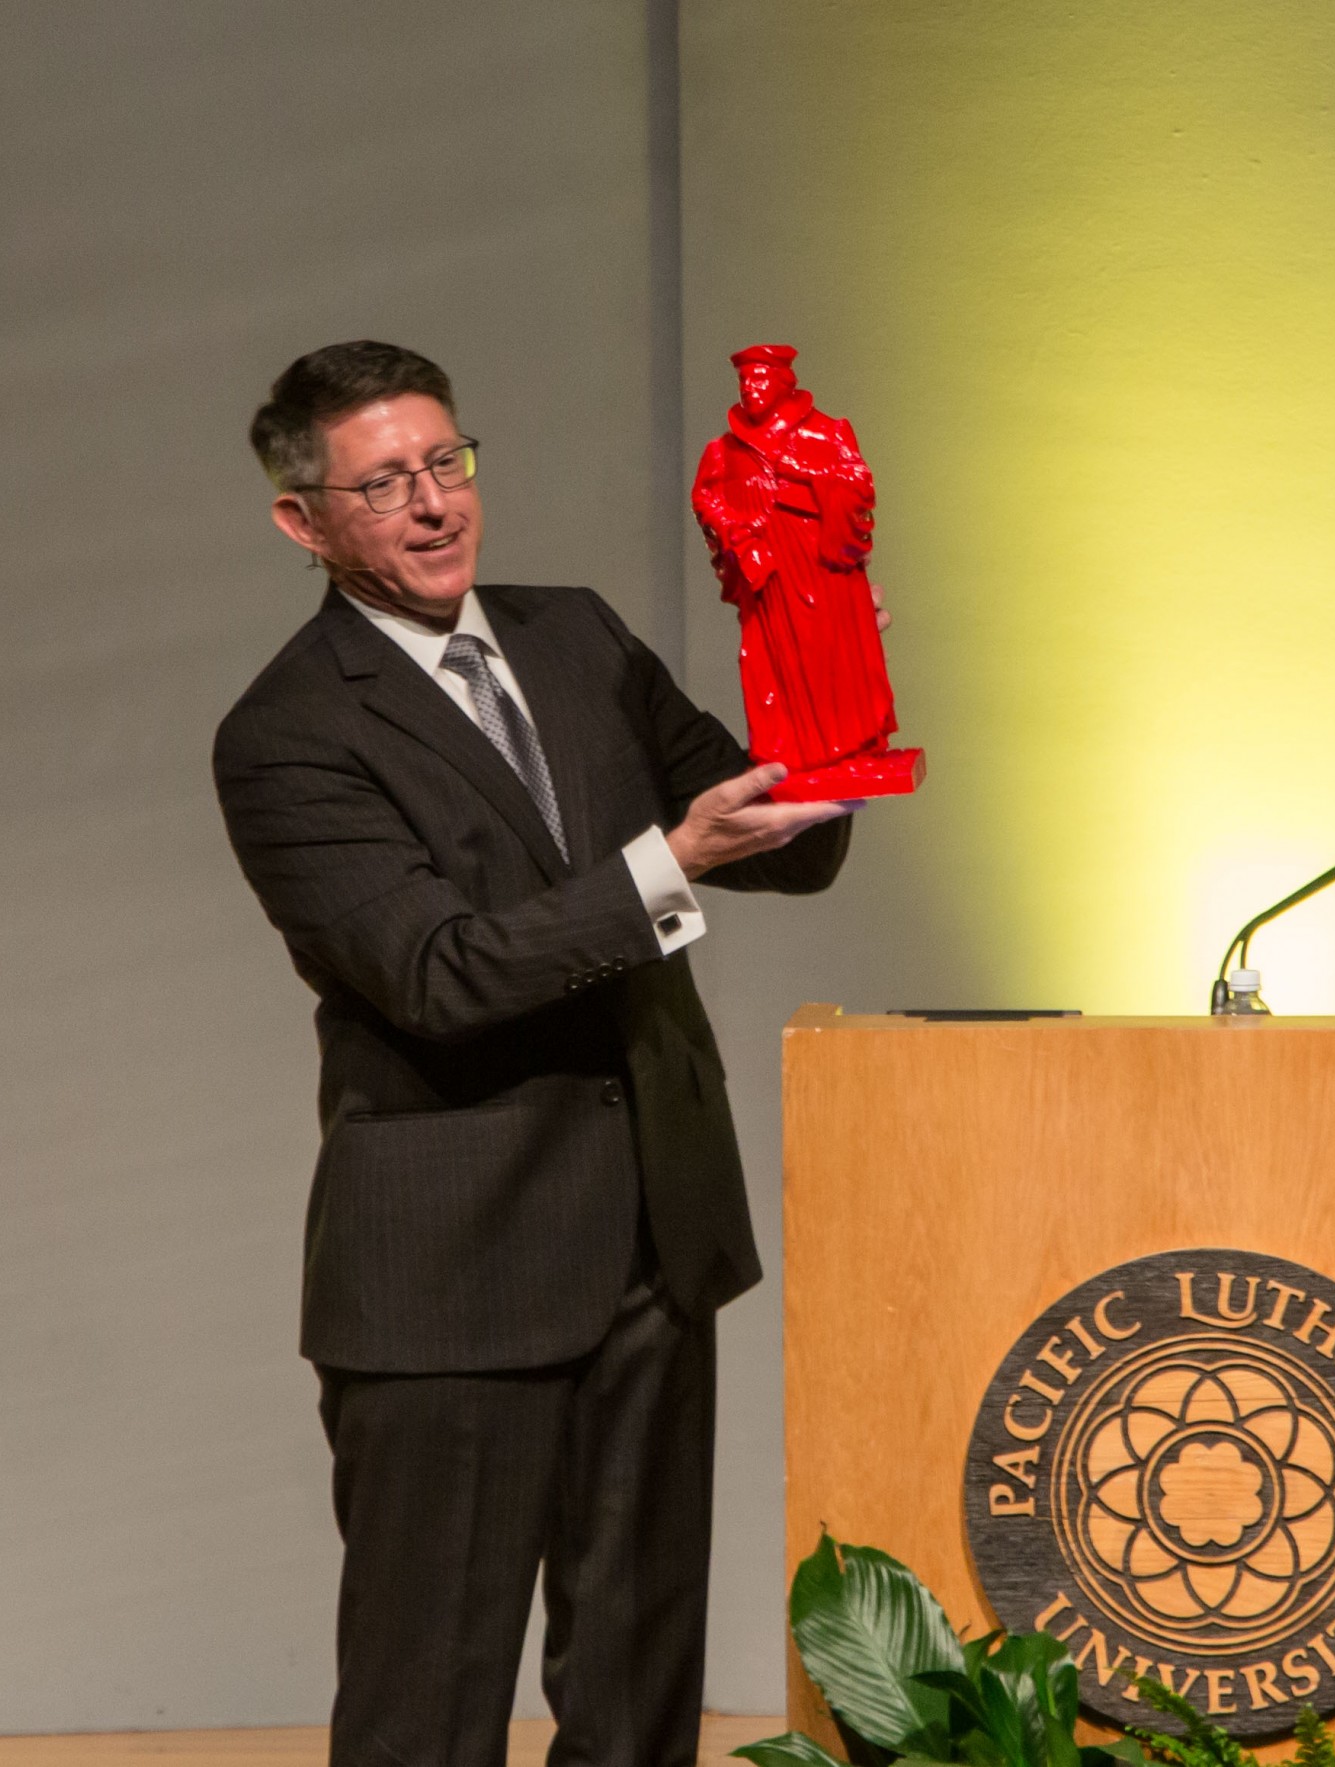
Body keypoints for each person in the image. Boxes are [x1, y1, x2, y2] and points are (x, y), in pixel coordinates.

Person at [214, 340, 861, 1767]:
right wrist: (662, 866)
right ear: (302, 520)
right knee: (429, 1702)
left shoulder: (573, 635)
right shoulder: (286, 733)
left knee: (637, 1690)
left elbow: (764, 835)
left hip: (652, 1237)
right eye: (383, 482)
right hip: (454, 1276)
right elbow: (439, 976)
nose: (435, 504)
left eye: (448, 462)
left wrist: (814, 630)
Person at [690, 344, 917, 796]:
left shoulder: (827, 432)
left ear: (784, 383)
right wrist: (739, 534)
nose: (751, 389)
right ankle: (792, 758)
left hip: (822, 569)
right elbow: (705, 498)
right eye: (744, 381)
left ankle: (851, 752)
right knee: (777, 662)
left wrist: (810, 475)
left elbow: (857, 483)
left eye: (760, 379)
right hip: (770, 575)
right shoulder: (723, 450)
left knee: (840, 657)